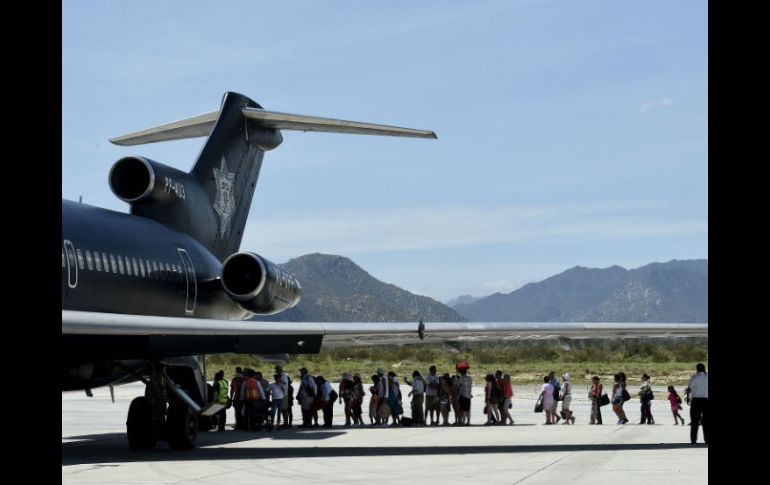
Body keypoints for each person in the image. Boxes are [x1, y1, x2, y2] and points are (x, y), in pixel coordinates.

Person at [685, 363, 708, 444]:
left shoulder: (694, 378)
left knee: (694, 421)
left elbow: (688, 389)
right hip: (706, 401)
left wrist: (688, 398)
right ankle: (707, 440)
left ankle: (693, 440)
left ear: (697, 369)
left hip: (695, 401)